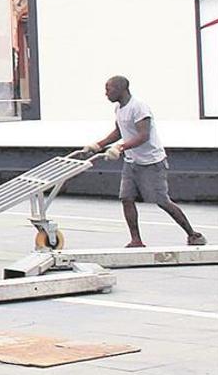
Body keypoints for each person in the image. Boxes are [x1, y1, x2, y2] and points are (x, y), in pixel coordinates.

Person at [83, 76, 206, 247]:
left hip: (152, 162)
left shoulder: (138, 107)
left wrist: (120, 148)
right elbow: (119, 131)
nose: (106, 93)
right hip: (132, 161)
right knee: (126, 198)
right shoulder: (119, 108)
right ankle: (136, 240)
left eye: (108, 89)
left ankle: (193, 234)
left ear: (121, 89)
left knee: (162, 201)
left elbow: (143, 135)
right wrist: (98, 145)